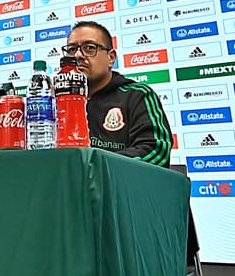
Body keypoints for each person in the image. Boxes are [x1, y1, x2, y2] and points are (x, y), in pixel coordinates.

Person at [63, 21, 172, 167]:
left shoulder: (137, 95)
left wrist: (93, 166)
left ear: (111, 58)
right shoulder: (53, 101)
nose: (77, 55)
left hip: (117, 188)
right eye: (71, 49)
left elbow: (155, 151)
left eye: (89, 48)